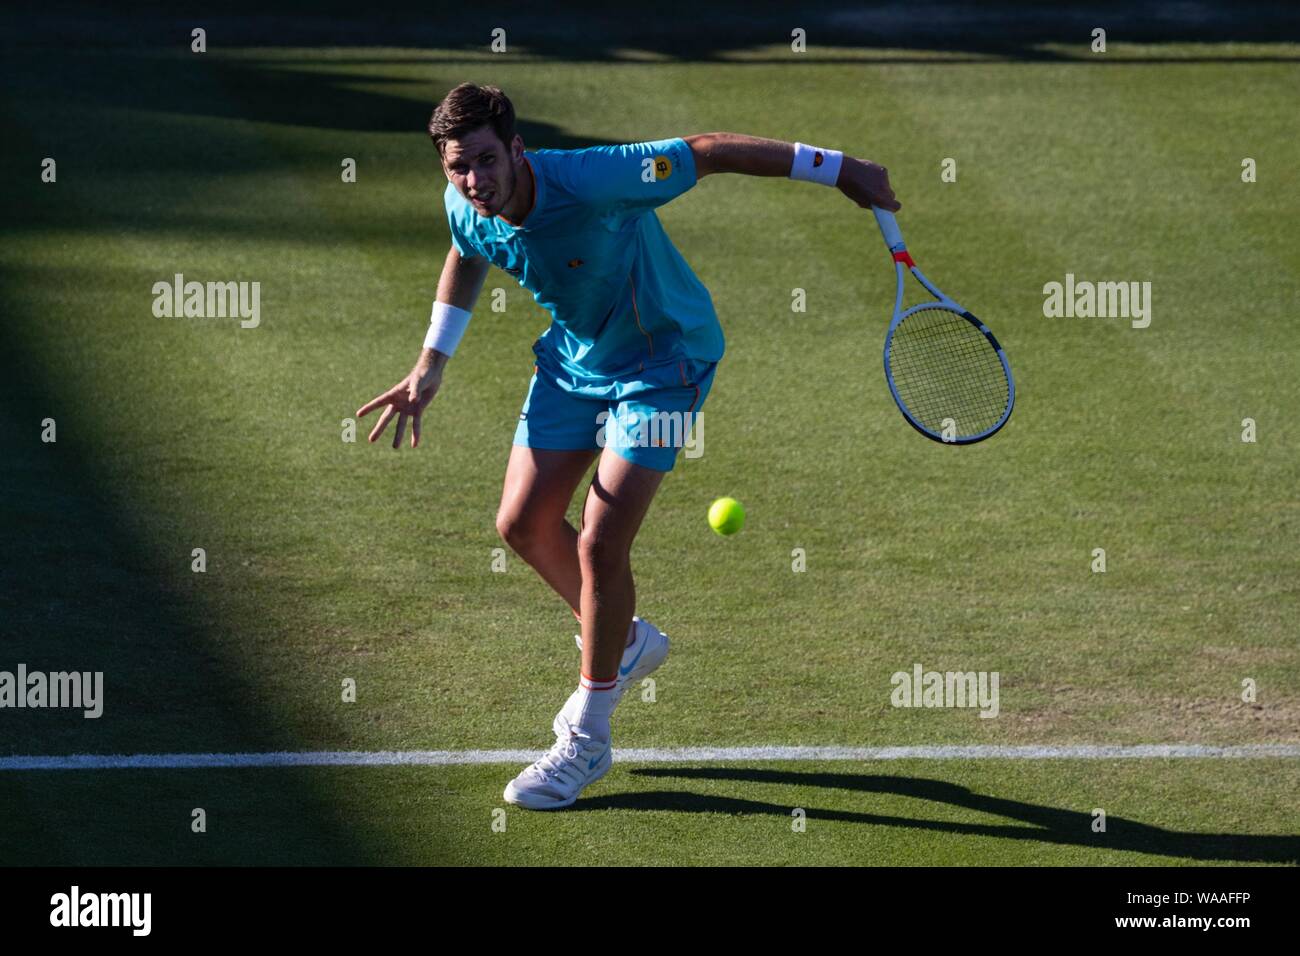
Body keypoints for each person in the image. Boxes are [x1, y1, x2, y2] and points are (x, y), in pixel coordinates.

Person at [358, 83, 899, 809]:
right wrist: (431, 364)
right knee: (521, 524)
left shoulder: (597, 181)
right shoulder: (465, 202)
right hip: (575, 363)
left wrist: (837, 168)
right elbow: (465, 251)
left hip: (668, 363)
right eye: (458, 167)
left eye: (486, 161)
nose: (473, 181)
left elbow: (706, 154)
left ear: (516, 148)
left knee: (599, 545)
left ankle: (586, 738)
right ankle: (624, 640)